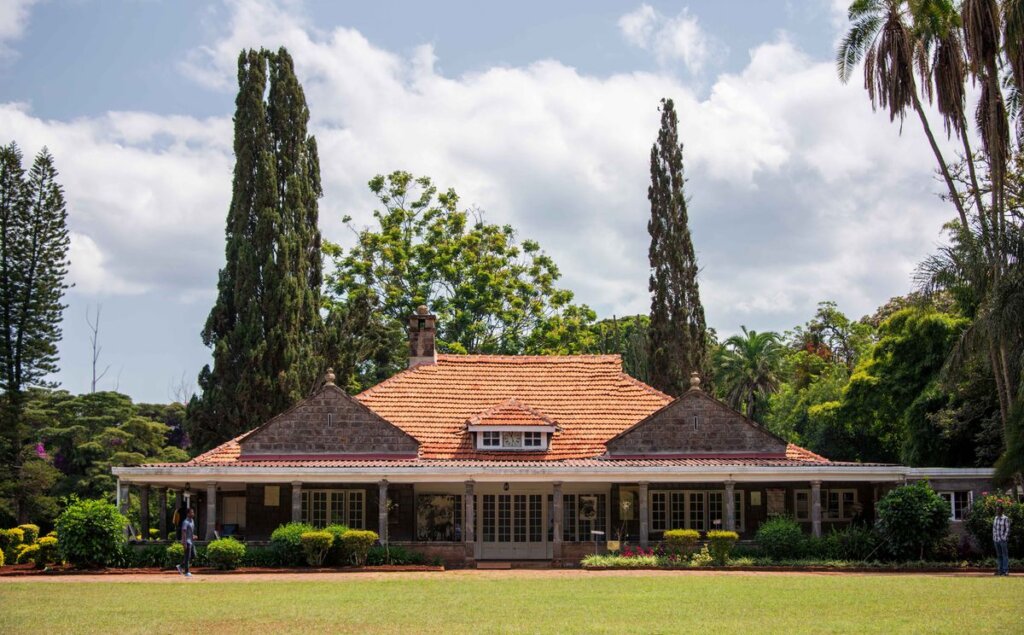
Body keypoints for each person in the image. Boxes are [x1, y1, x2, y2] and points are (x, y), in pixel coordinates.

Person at [176, 508, 196, 578]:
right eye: (191, 512)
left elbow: (190, 531)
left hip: (191, 541)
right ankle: (187, 572)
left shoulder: (192, 521)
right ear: (188, 514)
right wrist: (184, 542)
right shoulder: (185, 522)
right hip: (187, 541)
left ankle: (181, 566)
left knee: (193, 555)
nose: (193, 514)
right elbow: (184, 532)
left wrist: (193, 536)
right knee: (187, 557)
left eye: (193, 512)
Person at [992, 504, 1011, 576]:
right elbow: (994, 528)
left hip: (1003, 540)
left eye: (998, 509)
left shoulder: (1005, 518)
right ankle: (1000, 571)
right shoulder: (995, 518)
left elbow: (1008, 529)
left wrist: (1004, 538)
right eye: (996, 510)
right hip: (996, 540)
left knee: (1005, 555)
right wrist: (994, 537)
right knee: (999, 556)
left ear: (1002, 510)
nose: (997, 511)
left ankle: (1005, 571)